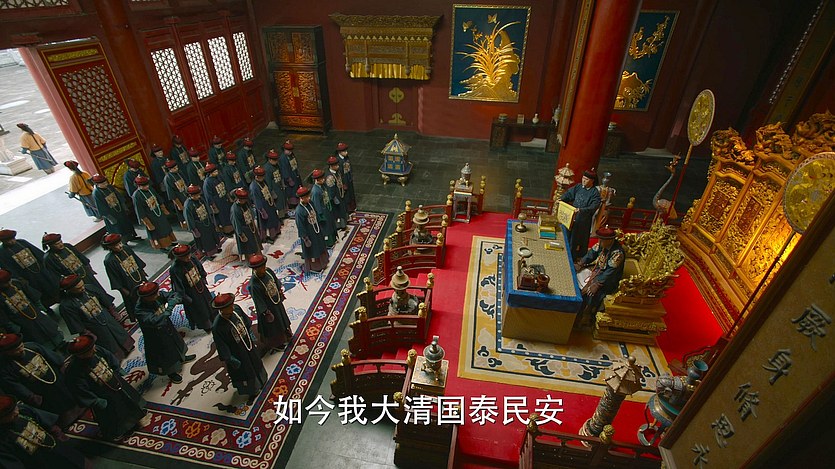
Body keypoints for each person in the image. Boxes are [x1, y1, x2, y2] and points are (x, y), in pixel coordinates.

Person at [63, 334, 148, 440]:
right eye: (90, 350)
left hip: (115, 382)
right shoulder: (74, 371)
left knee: (129, 401)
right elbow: (79, 390)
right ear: (81, 355)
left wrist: (116, 370)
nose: (94, 349)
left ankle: (137, 417)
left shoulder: (97, 350)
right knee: (115, 415)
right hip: (103, 395)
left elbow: (110, 357)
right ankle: (122, 430)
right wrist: (96, 401)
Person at [0, 333, 83, 429]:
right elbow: (15, 386)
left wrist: (62, 365)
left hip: (56, 378)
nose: (21, 350)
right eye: (16, 350)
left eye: (21, 346)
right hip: (41, 391)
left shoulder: (32, 347)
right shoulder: (4, 368)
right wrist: (31, 397)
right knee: (60, 409)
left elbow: (52, 356)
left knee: (72, 397)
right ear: (7, 352)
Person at [0, 395, 89, 468]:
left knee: (80, 462)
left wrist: (56, 431)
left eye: (14, 408)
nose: (16, 413)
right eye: (10, 414)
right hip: (41, 463)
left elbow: (41, 418)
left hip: (56, 446)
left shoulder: (22, 410)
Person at [58, 274, 134, 361]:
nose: (83, 288)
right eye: (79, 288)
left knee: (119, 332)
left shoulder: (89, 288)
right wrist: (87, 334)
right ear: (70, 290)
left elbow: (104, 299)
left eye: (82, 285)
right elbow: (75, 323)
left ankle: (128, 347)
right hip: (94, 327)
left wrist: (112, 311)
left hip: (106, 317)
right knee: (108, 343)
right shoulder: (66, 306)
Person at [210, 293, 267, 405]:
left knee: (256, 362)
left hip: (247, 344)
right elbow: (221, 345)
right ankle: (252, 390)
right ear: (221, 309)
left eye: (231, 305)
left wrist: (250, 335)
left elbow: (247, 322)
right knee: (245, 371)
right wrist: (230, 359)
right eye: (228, 307)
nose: (231, 308)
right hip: (237, 352)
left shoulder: (236, 309)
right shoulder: (217, 327)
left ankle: (262, 379)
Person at [134, 282, 196, 384]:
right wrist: (167, 311)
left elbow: (173, 295)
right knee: (165, 354)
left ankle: (182, 358)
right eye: (155, 294)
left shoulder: (157, 295)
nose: (158, 295)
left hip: (167, 327)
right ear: (146, 297)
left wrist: (173, 300)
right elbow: (154, 321)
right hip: (155, 335)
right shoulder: (140, 310)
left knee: (176, 342)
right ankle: (171, 372)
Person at [573, 227, 625, 329]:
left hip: (609, 279)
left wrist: (597, 283)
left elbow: (610, 273)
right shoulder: (602, 244)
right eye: (599, 239)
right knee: (576, 276)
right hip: (597, 270)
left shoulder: (617, 254)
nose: (599, 242)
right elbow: (591, 254)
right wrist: (581, 263)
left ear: (610, 240)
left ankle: (585, 317)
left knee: (590, 292)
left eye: (602, 240)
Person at [42, 233, 114, 306]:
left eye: (61, 242)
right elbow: (55, 276)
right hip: (74, 282)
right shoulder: (49, 258)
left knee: (97, 289)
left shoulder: (67, 246)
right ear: (50, 245)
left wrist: (89, 269)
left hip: (85, 272)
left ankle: (109, 305)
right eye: (57, 244)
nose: (61, 244)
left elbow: (80, 256)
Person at [0, 270, 64, 351]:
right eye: (5, 283)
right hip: (23, 325)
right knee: (41, 344)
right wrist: (16, 329)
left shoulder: (17, 283)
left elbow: (34, 297)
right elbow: (4, 319)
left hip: (38, 316)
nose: (9, 283)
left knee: (54, 334)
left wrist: (42, 311)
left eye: (9, 280)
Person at [0, 230, 61, 308]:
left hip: (41, 271)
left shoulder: (22, 242)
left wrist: (47, 267)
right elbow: (8, 269)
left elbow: (38, 254)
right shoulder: (2, 252)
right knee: (42, 295)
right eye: (8, 240)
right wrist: (20, 280)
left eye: (12, 239)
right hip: (28, 278)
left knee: (53, 286)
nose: (11, 241)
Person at [248, 254, 292, 355]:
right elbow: (258, 301)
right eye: (260, 268)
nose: (263, 269)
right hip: (268, 309)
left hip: (276, 302)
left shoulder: (268, 271)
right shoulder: (253, 285)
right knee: (273, 327)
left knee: (281, 319)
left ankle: (286, 334)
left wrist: (279, 291)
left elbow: (275, 282)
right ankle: (276, 344)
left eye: (263, 266)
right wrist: (266, 312)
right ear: (255, 269)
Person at [169, 244, 215, 333]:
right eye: (185, 257)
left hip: (200, 285)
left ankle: (213, 317)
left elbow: (200, 267)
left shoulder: (192, 258)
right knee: (200, 309)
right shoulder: (175, 269)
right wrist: (186, 297)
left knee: (209, 301)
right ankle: (207, 325)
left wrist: (203, 277)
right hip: (190, 292)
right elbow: (178, 286)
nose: (188, 258)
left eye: (188, 255)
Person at [102, 233, 148, 323]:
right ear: (110, 247)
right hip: (128, 285)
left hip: (138, 277)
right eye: (116, 245)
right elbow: (114, 278)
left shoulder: (126, 249)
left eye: (120, 243)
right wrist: (124, 290)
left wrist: (142, 271)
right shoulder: (109, 260)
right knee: (134, 302)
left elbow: (136, 260)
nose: (120, 246)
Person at [560, 168, 602, 258]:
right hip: (572, 216)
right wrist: (562, 199)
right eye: (583, 178)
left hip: (583, 220)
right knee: (567, 234)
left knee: (576, 239)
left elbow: (593, 206)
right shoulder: (578, 187)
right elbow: (569, 194)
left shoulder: (595, 193)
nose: (583, 180)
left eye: (586, 179)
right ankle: (564, 252)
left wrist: (581, 210)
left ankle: (572, 256)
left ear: (592, 181)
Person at [132, 175, 177, 250]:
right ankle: (162, 246)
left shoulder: (150, 189)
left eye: (147, 185)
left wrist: (163, 208)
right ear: (139, 186)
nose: (147, 186)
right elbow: (139, 210)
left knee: (166, 228)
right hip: (151, 217)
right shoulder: (136, 196)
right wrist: (147, 223)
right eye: (144, 186)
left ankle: (169, 242)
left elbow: (158, 198)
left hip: (159, 212)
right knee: (157, 232)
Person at [91, 173, 140, 241]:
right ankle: (123, 241)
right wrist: (109, 218)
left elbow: (118, 195)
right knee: (118, 229)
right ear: (97, 184)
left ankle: (132, 237)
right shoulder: (96, 193)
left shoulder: (109, 187)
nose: (105, 184)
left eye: (105, 182)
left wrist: (124, 206)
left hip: (120, 210)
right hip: (111, 214)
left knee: (127, 224)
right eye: (103, 184)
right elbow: (101, 207)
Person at [294, 186, 329, 273]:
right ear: (301, 198)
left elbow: (315, 213)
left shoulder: (311, 203)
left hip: (316, 229)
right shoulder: (299, 211)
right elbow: (300, 226)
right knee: (313, 250)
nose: (309, 198)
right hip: (309, 234)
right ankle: (315, 267)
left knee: (320, 246)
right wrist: (305, 239)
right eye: (306, 197)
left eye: (308, 196)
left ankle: (323, 262)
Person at [184, 185, 222, 259]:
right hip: (199, 225)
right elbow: (189, 218)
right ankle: (208, 254)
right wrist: (194, 229)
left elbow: (207, 208)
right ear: (191, 195)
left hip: (207, 221)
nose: (198, 196)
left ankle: (215, 249)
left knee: (213, 236)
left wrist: (211, 218)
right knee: (205, 241)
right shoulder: (188, 205)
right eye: (196, 195)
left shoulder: (200, 199)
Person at [250, 166, 283, 243]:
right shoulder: (254, 187)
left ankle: (276, 231)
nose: (263, 177)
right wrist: (262, 210)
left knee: (273, 218)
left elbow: (268, 189)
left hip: (269, 203)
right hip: (263, 207)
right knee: (265, 223)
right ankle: (265, 237)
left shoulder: (263, 181)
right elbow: (256, 200)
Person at [230, 188, 262, 261]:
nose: (245, 200)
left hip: (251, 226)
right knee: (248, 247)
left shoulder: (245, 203)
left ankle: (259, 256)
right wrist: (241, 234)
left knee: (255, 243)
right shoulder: (235, 209)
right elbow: (236, 223)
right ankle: (251, 260)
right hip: (244, 230)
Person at [203, 163, 234, 235]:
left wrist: (229, 197)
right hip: (218, 202)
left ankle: (232, 229)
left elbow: (225, 187)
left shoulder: (219, 177)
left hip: (224, 199)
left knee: (229, 215)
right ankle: (226, 232)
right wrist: (214, 207)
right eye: (214, 171)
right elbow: (208, 196)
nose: (216, 172)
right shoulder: (207, 182)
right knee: (223, 218)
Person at [311, 169, 337, 248]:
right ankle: (328, 242)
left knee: (330, 224)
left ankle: (333, 238)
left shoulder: (323, 186)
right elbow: (316, 204)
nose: (323, 180)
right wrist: (320, 215)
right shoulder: (315, 191)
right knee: (326, 227)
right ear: (317, 180)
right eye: (321, 179)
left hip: (327, 208)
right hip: (323, 211)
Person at [261, 149, 288, 217]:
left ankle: (284, 213)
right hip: (274, 188)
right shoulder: (267, 169)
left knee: (282, 201)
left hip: (279, 186)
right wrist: (272, 193)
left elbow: (280, 173)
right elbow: (268, 182)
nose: (276, 161)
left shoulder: (276, 165)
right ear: (270, 160)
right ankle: (280, 216)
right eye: (274, 160)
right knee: (278, 204)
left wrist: (282, 183)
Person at [163, 159, 189, 228]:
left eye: (177, 167)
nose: (176, 169)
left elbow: (186, 182)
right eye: (174, 168)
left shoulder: (179, 172)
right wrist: (179, 205)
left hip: (187, 195)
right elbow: (171, 194)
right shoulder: (168, 178)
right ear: (169, 169)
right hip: (179, 199)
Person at [326, 156, 348, 233]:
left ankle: (344, 221)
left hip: (340, 193)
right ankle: (340, 225)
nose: (338, 166)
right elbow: (331, 190)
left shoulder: (338, 172)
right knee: (338, 212)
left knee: (342, 209)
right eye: (336, 165)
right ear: (331, 166)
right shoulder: (330, 177)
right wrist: (334, 198)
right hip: (336, 196)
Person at [278, 140, 302, 207]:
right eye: (288, 150)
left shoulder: (291, 155)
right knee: (292, 192)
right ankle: (292, 204)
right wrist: (288, 179)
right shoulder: (283, 158)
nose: (290, 152)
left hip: (295, 174)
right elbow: (284, 169)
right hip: (290, 177)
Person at [335, 142, 357, 214]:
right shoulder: (338, 161)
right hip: (344, 179)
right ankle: (348, 209)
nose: (346, 152)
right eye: (344, 151)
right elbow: (339, 173)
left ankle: (352, 206)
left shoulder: (346, 157)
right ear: (340, 152)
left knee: (351, 192)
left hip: (348, 176)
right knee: (346, 194)